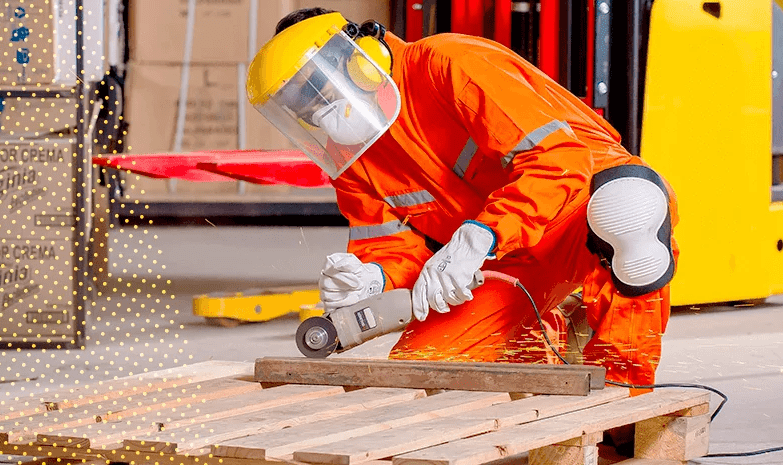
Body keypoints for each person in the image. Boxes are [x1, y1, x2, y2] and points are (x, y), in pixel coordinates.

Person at [246, 7, 679, 390]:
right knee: (421, 374)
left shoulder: (448, 62)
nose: (318, 112)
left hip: (582, 208)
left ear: (363, 63)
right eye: (303, 106)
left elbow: (560, 162)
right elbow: (392, 246)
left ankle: (625, 403)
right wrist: (372, 277)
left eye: (320, 92)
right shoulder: (351, 154)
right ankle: (548, 353)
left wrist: (479, 236)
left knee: (627, 211)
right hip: (502, 259)